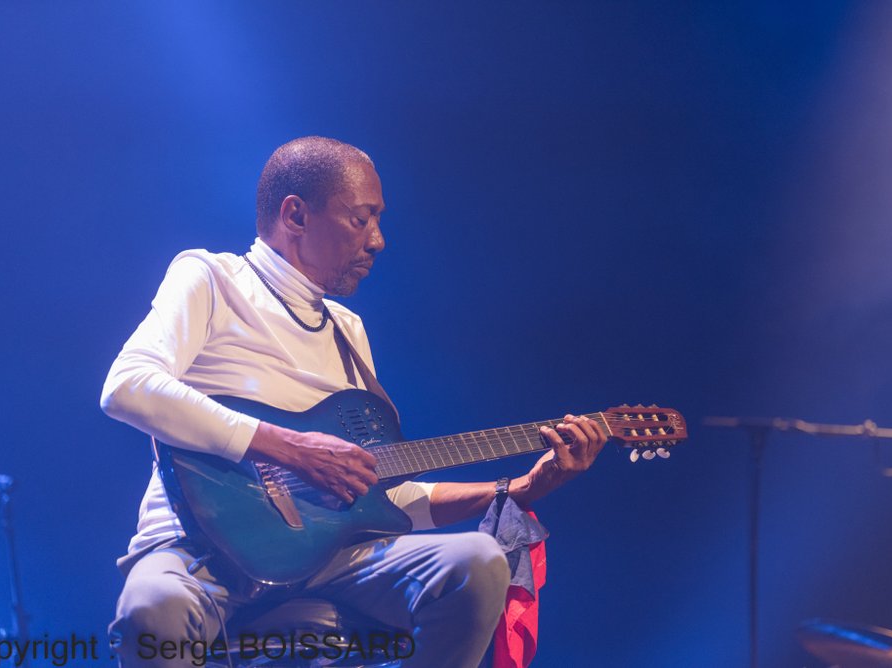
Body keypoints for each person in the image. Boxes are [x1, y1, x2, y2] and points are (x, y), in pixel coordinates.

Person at [100, 136, 606, 667]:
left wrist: (517, 489)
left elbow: (379, 491)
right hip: (199, 548)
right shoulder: (211, 278)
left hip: (331, 559)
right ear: (295, 215)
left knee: (477, 559)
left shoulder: (348, 331)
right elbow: (128, 384)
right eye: (361, 219)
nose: (378, 241)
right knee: (151, 609)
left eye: (378, 221)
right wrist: (290, 448)